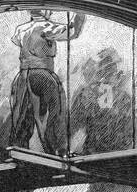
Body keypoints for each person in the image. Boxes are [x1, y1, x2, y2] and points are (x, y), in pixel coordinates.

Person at [9, 9, 86, 156]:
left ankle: (19, 149)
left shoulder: (21, 29)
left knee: (22, 114)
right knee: (55, 109)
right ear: (44, 11)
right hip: (42, 74)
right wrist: (79, 11)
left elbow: (16, 41)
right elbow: (73, 32)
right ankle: (58, 150)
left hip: (23, 75)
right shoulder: (46, 28)